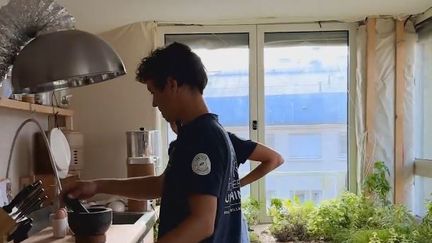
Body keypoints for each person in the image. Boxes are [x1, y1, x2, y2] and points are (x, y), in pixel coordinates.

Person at [63, 42, 243, 242]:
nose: (154, 102)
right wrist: (97, 186)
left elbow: (202, 223)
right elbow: (162, 185)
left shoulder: (201, 137)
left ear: (172, 84)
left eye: (153, 92)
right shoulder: (204, 133)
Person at [169, 122, 284, 243]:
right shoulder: (178, 147)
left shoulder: (221, 140)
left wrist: (237, 184)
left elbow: (275, 159)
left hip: (222, 225)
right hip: (224, 224)